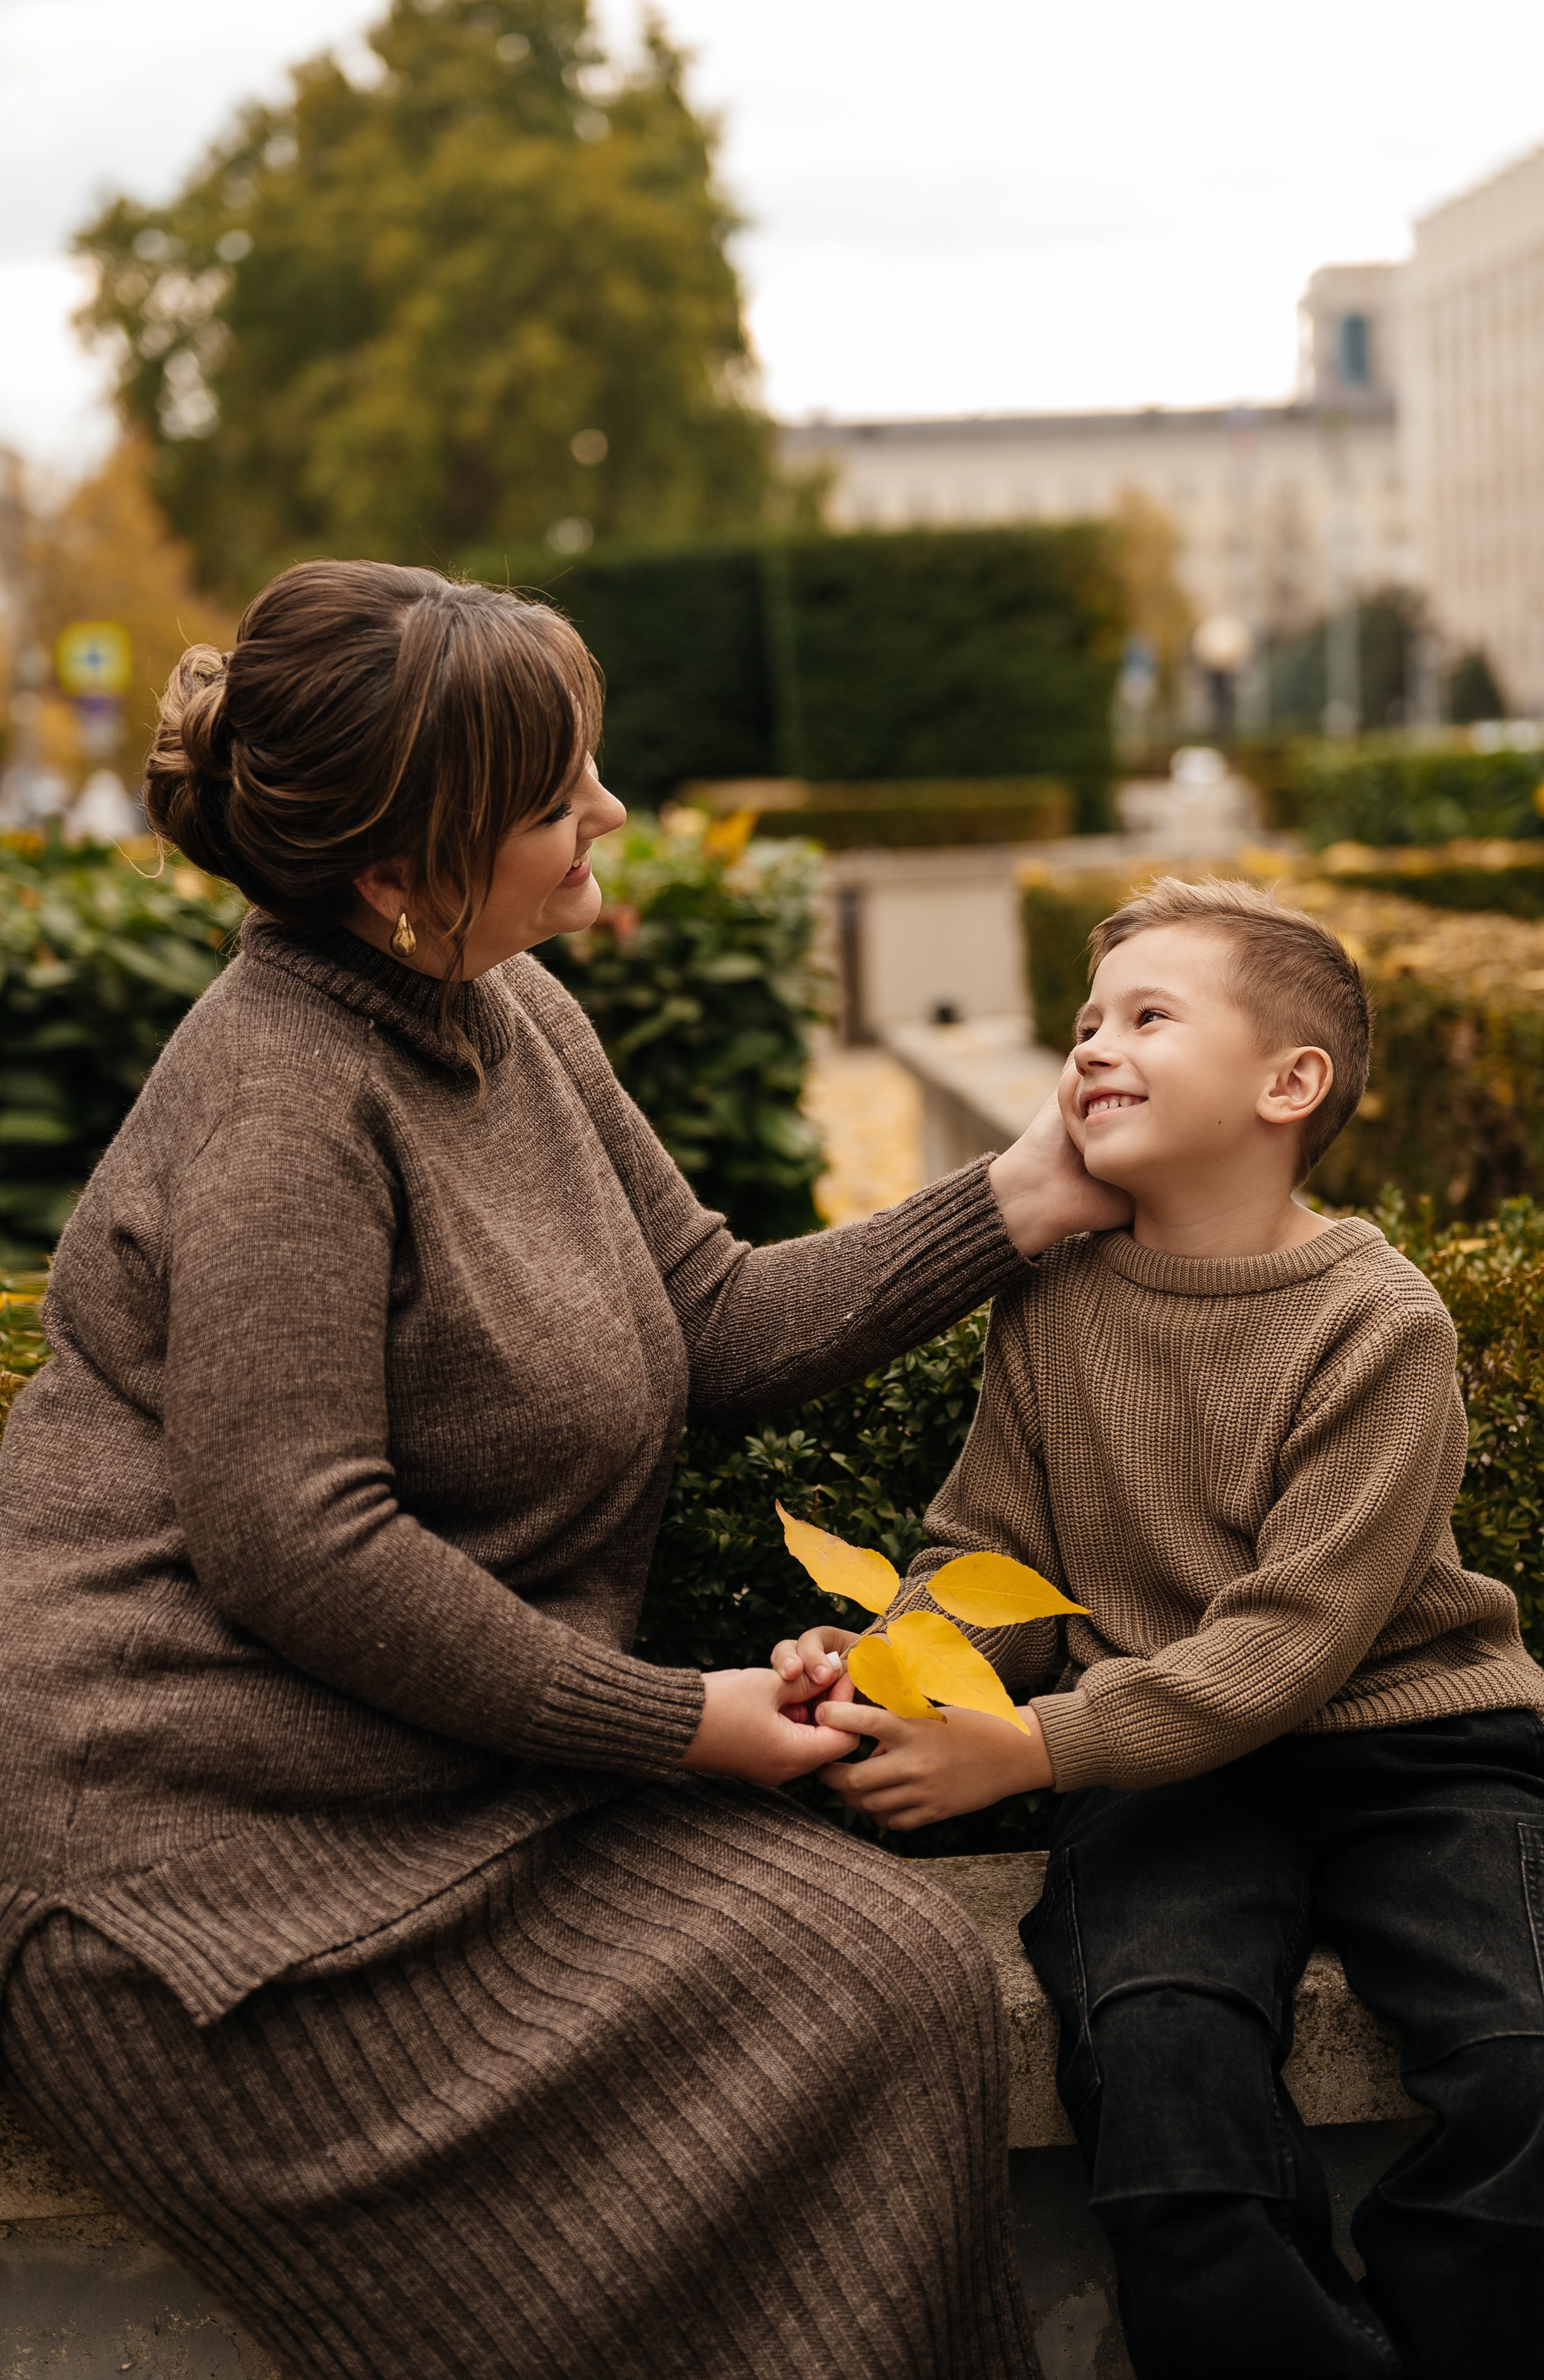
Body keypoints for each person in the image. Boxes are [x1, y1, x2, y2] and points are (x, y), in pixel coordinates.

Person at [0, 559, 1137, 2380]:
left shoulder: (499, 1004)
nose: (611, 811)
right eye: (556, 799)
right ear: (397, 878)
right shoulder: (285, 1099)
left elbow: (714, 1320)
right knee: (852, 2002)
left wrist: (1022, 1201)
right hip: (205, 1882)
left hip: (439, 1794)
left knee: (903, 1977)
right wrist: (678, 1719)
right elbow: (296, 1545)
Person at [776, 876, 1544, 2380]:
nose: (1092, 1044)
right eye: (1085, 1020)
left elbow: (1292, 1640)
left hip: (1413, 1753)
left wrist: (1021, 1750)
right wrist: (885, 1673)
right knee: (1155, 2056)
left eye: (1147, 1016)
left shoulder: (1377, 1320)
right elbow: (986, 1558)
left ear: (1287, 1084)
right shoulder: (1049, 1303)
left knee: (1535, 2060)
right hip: (1163, 1782)